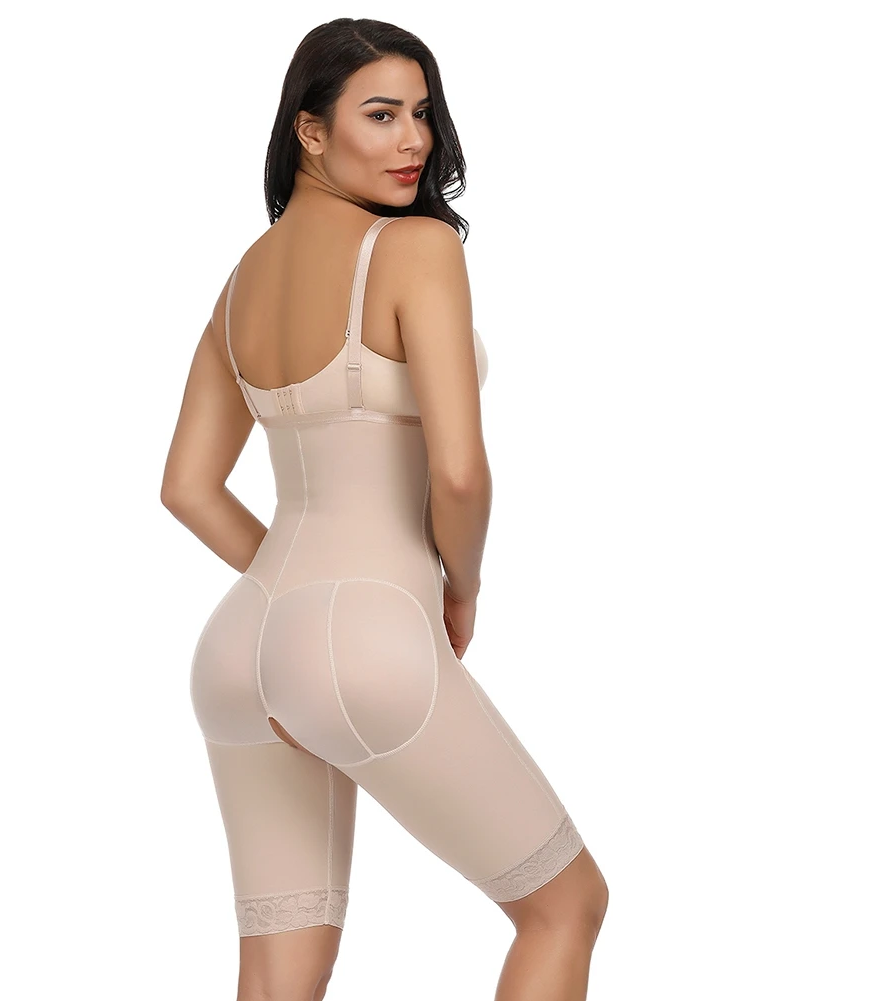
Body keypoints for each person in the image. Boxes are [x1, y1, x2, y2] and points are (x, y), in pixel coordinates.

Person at [161, 17, 608, 1001]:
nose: (413, 140)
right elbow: (459, 473)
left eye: (421, 113)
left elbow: (186, 486)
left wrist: (296, 596)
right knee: (565, 904)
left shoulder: (242, 281)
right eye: (380, 114)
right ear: (309, 130)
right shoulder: (414, 249)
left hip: (239, 650)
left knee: (278, 971)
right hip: (364, 637)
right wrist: (459, 589)